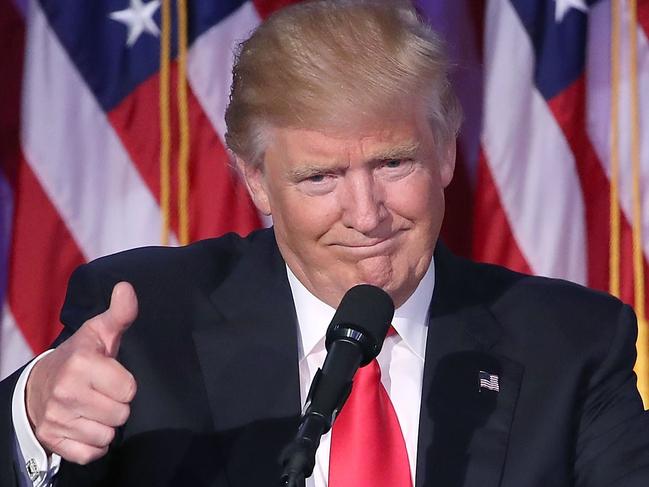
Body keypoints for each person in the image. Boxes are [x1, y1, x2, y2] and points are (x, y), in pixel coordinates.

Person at [2, 0, 649, 485]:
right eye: (320, 177)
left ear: (446, 152)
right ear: (256, 180)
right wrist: (33, 411)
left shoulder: (572, 343)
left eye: (393, 164)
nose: (365, 215)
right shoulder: (149, 323)